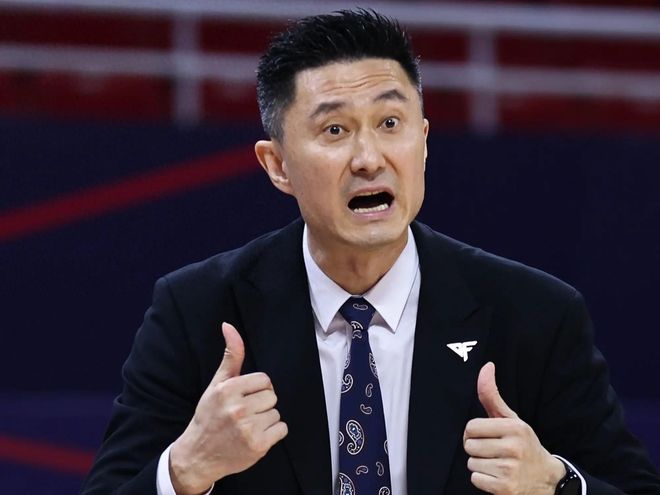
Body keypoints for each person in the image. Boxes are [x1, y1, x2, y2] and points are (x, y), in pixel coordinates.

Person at [82, 9, 660, 495]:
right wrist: (185, 470)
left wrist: (557, 484)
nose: (368, 158)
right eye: (334, 130)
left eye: (389, 122)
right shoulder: (197, 312)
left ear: (424, 141)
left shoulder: (535, 315)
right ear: (276, 165)